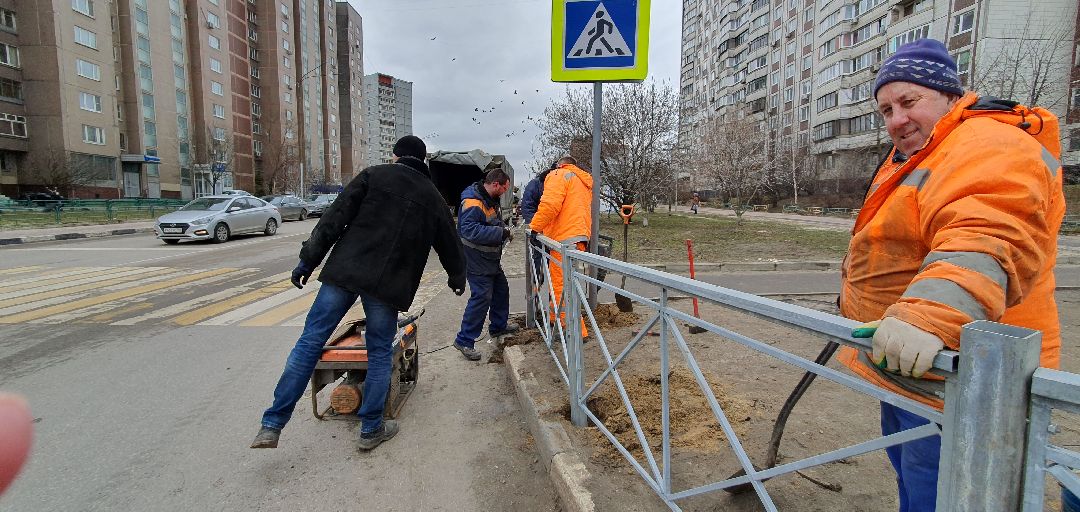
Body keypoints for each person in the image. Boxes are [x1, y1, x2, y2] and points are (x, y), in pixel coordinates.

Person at [838, 39, 1064, 511]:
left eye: (908, 101)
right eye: (885, 110)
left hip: (965, 375)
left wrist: (928, 316)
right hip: (908, 360)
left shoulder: (988, 143)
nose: (896, 120)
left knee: (941, 494)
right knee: (913, 481)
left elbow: (988, 233)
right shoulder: (922, 155)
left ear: (948, 95)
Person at [252, 135, 466, 451]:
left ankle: (272, 425)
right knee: (379, 352)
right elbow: (449, 241)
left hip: (346, 272)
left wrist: (307, 260)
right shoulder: (432, 196)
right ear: (422, 161)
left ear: (396, 156)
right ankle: (370, 429)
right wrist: (457, 276)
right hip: (388, 285)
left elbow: (334, 218)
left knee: (310, 342)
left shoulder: (373, 175)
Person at [452, 169, 517, 360]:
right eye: (504, 188)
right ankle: (464, 340)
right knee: (481, 297)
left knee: (501, 290)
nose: (504, 192)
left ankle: (498, 326)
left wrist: (504, 229)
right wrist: (501, 233)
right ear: (496, 184)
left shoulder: (489, 200)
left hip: (489, 258)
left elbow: (491, 222)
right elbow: (470, 230)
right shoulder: (473, 202)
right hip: (476, 258)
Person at [528, 156, 594, 336]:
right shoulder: (580, 180)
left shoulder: (559, 175)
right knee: (563, 283)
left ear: (559, 165)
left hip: (564, 237)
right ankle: (554, 319)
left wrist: (535, 228)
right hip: (577, 236)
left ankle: (574, 332)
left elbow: (550, 205)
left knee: (561, 286)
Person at [521, 162, 558, 285]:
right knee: (537, 259)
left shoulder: (561, 185)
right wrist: (538, 227)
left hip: (557, 232)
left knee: (556, 266)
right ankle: (536, 287)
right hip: (540, 231)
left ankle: (552, 291)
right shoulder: (535, 185)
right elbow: (527, 207)